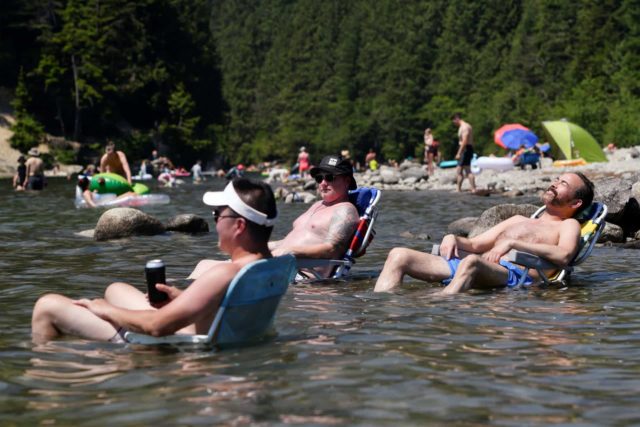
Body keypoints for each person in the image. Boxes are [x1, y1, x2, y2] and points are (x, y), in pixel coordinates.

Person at [31, 178, 278, 343]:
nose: (214, 221)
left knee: (46, 306)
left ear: (239, 226)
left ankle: (50, 378)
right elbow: (228, 308)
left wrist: (105, 310)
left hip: (174, 345)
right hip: (221, 332)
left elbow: (157, 327)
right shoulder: (273, 265)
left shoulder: (225, 272)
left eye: (217, 215)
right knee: (115, 288)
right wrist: (183, 297)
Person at [374, 172, 595, 294]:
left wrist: (513, 244)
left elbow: (564, 256)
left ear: (576, 202)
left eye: (563, 183)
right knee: (399, 255)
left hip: (516, 275)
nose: (554, 183)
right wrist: (453, 238)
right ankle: (383, 312)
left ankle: (438, 312)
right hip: (479, 264)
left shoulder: (568, 225)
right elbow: (477, 245)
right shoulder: (519, 220)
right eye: (557, 179)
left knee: (471, 263)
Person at [190, 155, 360, 280]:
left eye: (330, 177)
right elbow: (288, 242)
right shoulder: (318, 206)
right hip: (280, 264)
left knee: (207, 269)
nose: (323, 183)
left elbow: (331, 249)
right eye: (319, 177)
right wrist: (259, 246)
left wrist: (288, 252)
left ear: (346, 181)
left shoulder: (345, 210)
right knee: (204, 265)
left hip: (299, 273)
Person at [451, 113, 476, 192]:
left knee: (461, 170)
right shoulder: (467, 126)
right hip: (468, 148)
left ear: (456, 119)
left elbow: (465, 140)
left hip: (465, 148)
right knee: (465, 169)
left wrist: (459, 153)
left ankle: (461, 189)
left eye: (453, 121)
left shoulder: (464, 127)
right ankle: (471, 188)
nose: (454, 123)